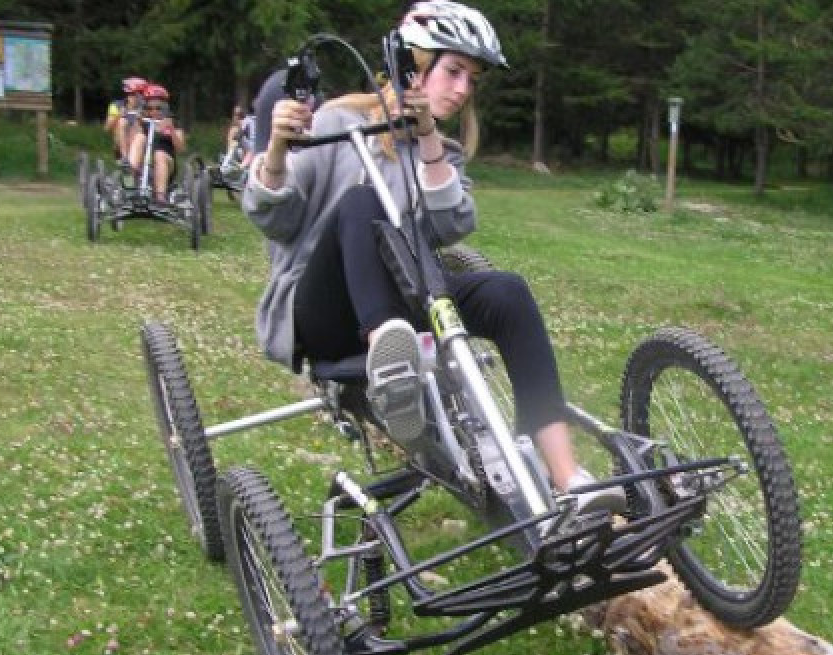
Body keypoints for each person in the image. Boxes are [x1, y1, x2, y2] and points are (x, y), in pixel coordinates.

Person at [242, 1, 624, 514]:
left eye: (472, 77)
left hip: (408, 294)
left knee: (508, 291)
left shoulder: (440, 148)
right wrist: (275, 153)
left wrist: (425, 140)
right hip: (326, 311)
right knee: (362, 203)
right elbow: (274, 222)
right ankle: (390, 360)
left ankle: (567, 477)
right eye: (453, 71)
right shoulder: (336, 122)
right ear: (413, 64)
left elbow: (451, 227)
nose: (463, 89)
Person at [129, 84, 187, 204]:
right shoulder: (143, 122)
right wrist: (137, 123)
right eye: (149, 108)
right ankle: (129, 173)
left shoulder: (173, 122)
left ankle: (160, 196)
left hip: (166, 164)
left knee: (159, 154)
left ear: (165, 107)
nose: (153, 111)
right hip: (143, 168)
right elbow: (131, 142)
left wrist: (170, 129)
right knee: (140, 138)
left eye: (158, 108)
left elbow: (181, 149)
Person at [104, 76, 147, 161]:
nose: (135, 97)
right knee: (122, 121)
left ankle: (130, 159)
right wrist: (119, 115)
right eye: (132, 94)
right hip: (119, 143)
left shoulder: (147, 108)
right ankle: (125, 157)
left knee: (137, 125)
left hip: (139, 143)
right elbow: (107, 128)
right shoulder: (116, 105)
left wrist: (141, 118)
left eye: (139, 94)